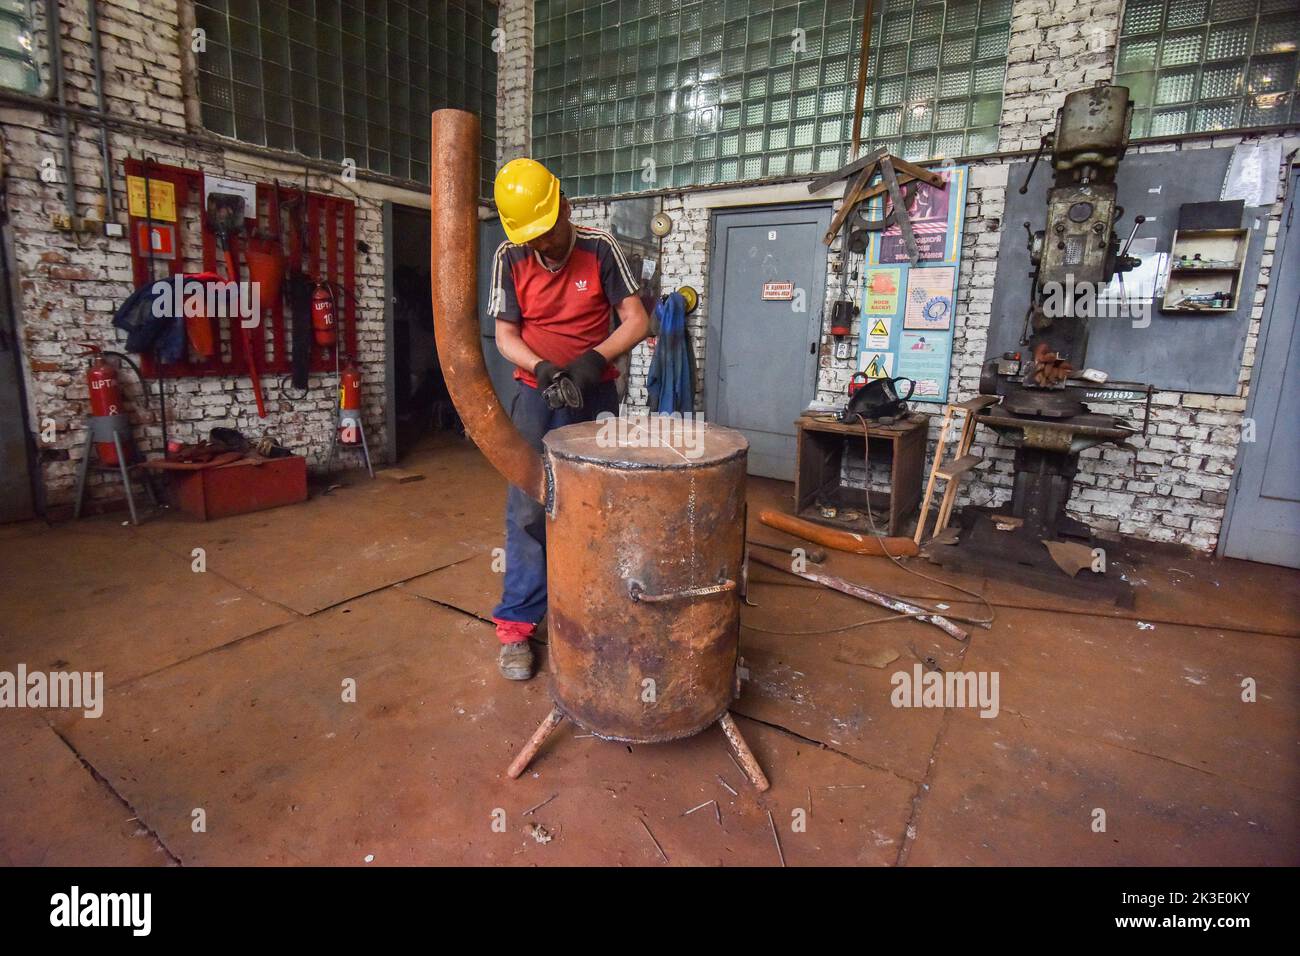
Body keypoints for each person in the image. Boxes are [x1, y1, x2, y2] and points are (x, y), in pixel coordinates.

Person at [486, 158, 650, 680]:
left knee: (596, 503)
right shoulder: (510, 256)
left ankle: (596, 613)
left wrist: (591, 362)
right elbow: (506, 335)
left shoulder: (601, 247)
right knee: (530, 508)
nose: (545, 245)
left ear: (565, 208)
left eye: (549, 232)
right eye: (533, 237)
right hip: (536, 395)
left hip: (594, 394)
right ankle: (516, 627)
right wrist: (544, 366)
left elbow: (637, 320)